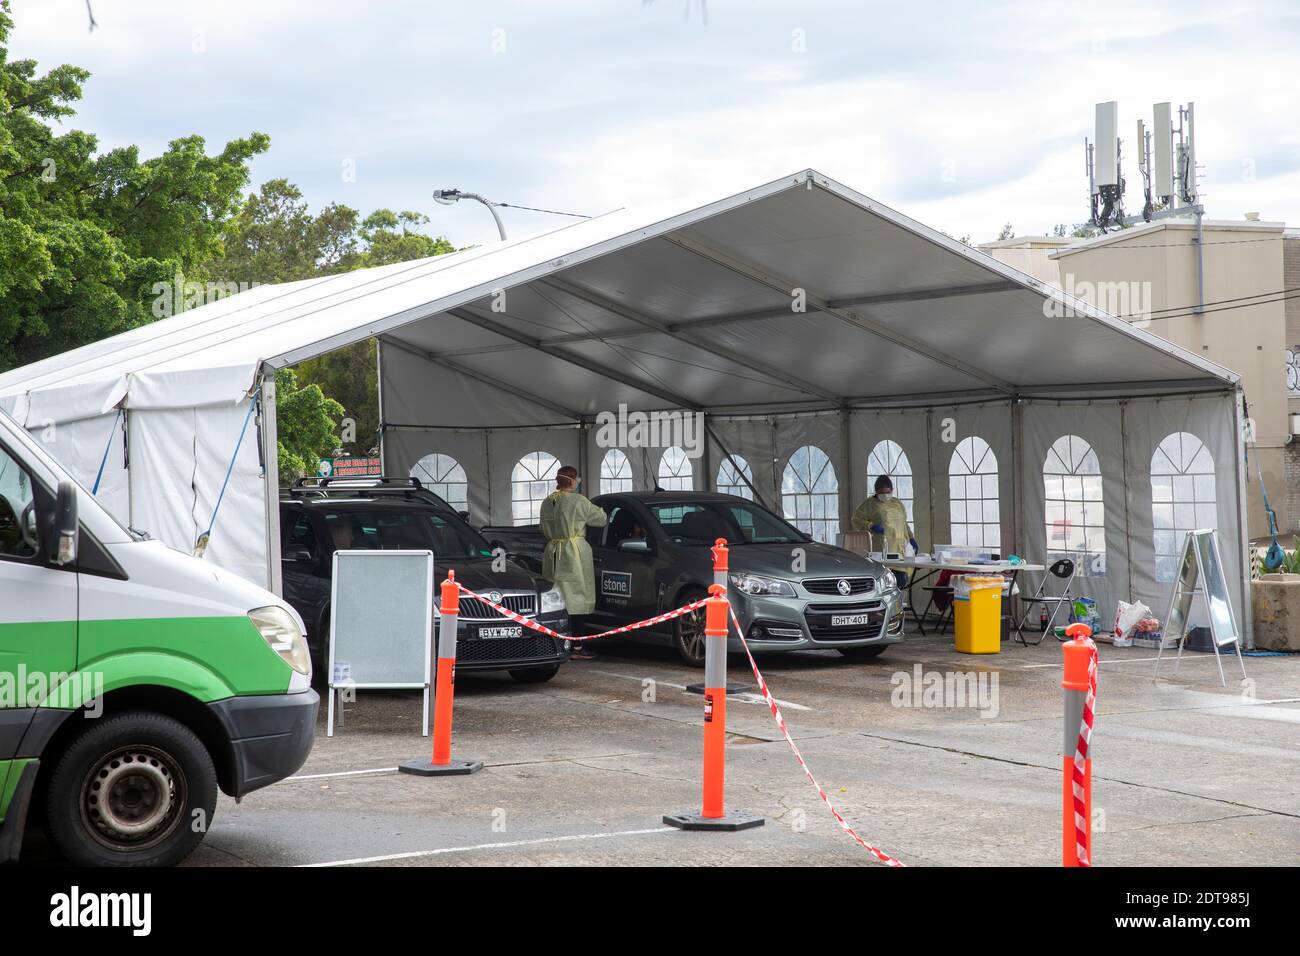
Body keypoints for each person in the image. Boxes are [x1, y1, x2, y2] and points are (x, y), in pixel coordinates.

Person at [540, 465, 608, 660]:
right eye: (576, 479)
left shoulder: (547, 502)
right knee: (578, 597)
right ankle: (578, 646)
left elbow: (541, 526)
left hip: (553, 550)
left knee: (556, 596)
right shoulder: (579, 501)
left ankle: (558, 643)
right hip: (573, 552)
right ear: (572, 480)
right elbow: (600, 519)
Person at [851, 475, 917, 588]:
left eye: (888, 492)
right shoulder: (869, 504)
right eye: (882, 493)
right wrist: (870, 526)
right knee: (886, 583)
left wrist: (911, 538)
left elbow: (904, 523)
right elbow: (856, 519)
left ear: (892, 490)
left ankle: (898, 604)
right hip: (881, 547)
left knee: (900, 581)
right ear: (876, 492)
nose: (885, 495)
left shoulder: (897, 503)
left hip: (900, 548)